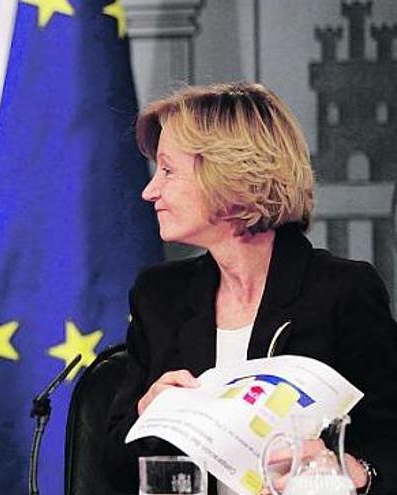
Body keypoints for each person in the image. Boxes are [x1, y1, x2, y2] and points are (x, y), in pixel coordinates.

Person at [102, 83, 397, 494]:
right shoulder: (159, 296)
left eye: (168, 170)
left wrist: (355, 471)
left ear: (228, 175)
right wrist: (147, 416)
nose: (150, 191)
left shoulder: (341, 292)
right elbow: (113, 467)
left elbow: (390, 443)